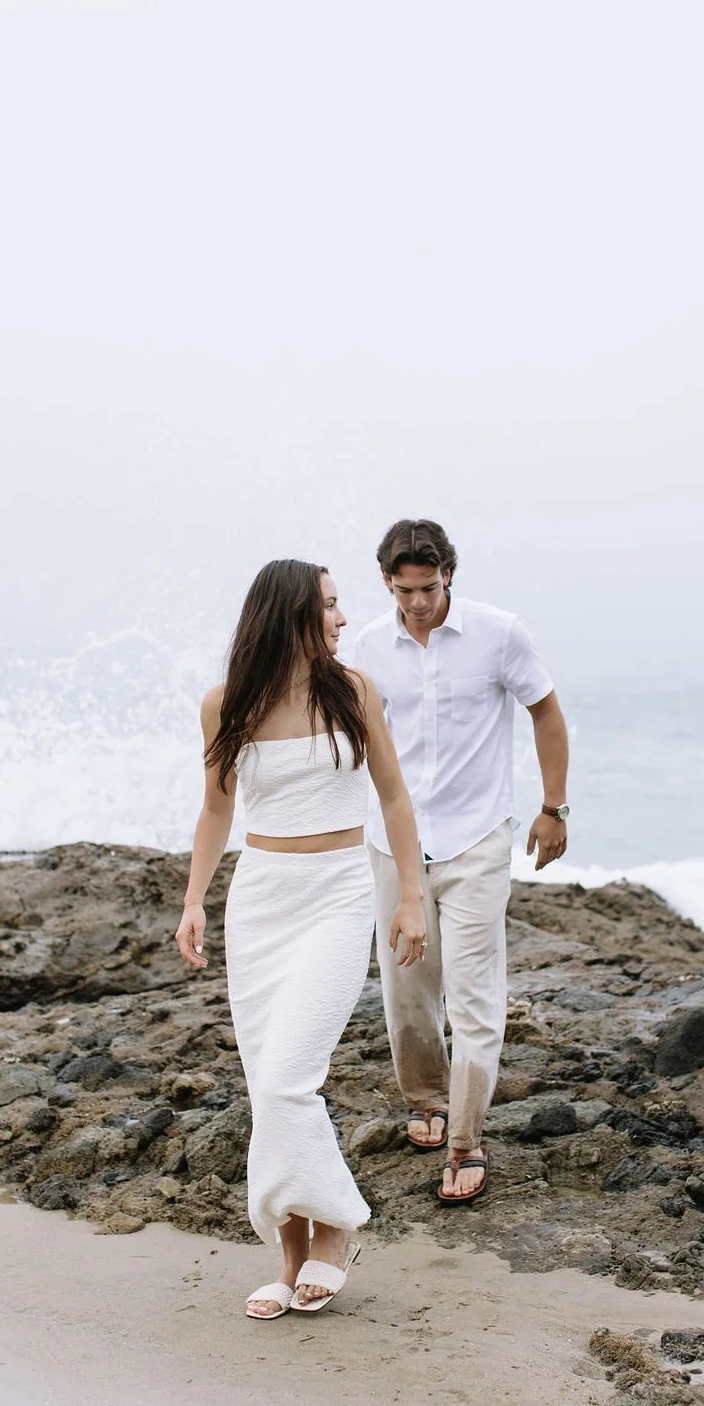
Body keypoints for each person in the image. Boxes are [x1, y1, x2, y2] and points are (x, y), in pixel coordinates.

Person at [175, 559, 426, 1319]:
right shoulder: (226, 704)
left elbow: (393, 796)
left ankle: (337, 1227)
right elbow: (216, 810)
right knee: (267, 1088)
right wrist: (193, 900)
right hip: (261, 901)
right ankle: (289, 1258)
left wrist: (411, 895)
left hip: (338, 894)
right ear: (288, 614)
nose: (343, 619)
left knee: (288, 1078)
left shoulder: (353, 690)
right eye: (329, 606)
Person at [353, 519, 570, 1205]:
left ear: (449, 574)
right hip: (394, 843)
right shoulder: (364, 648)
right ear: (386, 582)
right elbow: (350, 742)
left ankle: (466, 1139)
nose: (419, 602)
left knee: (474, 993)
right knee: (407, 986)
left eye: (430, 587)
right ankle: (426, 1097)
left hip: (476, 838)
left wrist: (554, 807)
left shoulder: (498, 633)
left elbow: (546, 713)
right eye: (405, 590)